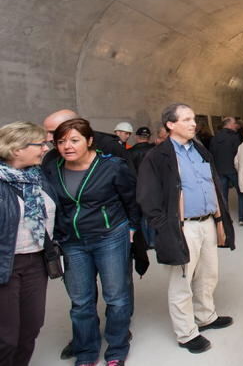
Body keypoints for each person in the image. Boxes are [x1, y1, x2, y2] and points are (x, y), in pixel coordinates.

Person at [136, 103, 235, 354]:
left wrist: (220, 217)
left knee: (208, 274)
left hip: (207, 223)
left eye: (193, 119)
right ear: (170, 124)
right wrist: (164, 227)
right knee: (182, 281)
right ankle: (186, 332)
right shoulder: (157, 157)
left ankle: (206, 316)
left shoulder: (200, 150)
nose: (194, 124)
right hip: (182, 226)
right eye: (187, 119)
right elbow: (147, 196)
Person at [43, 118, 139, 366]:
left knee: (116, 296)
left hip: (109, 237)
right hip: (72, 241)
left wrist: (132, 227)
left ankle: (117, 348)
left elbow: (130, 198)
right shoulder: (53, 168)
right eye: (61, 141)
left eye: (74, 140)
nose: (68, 146)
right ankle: (86, 352)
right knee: (80, 301)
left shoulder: (112, 166)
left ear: (89, 141)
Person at [0, 122, 57, 366]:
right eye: (40, 144)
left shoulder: (38, 178)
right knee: (6, 337)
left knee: (31, 328)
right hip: (6, 265)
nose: (45, 148)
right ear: (16, 150)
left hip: (37, 262)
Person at [209, 117, 243, 220]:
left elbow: (212, 153)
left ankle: (226, 218)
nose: (235, 125)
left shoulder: (215, 137)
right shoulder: (234, 137)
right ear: (228, 124)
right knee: (241, 193)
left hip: (220, 169)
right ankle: (241, 218)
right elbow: (238, 153)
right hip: (233, 169)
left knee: (223, 196)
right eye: (234, 123)